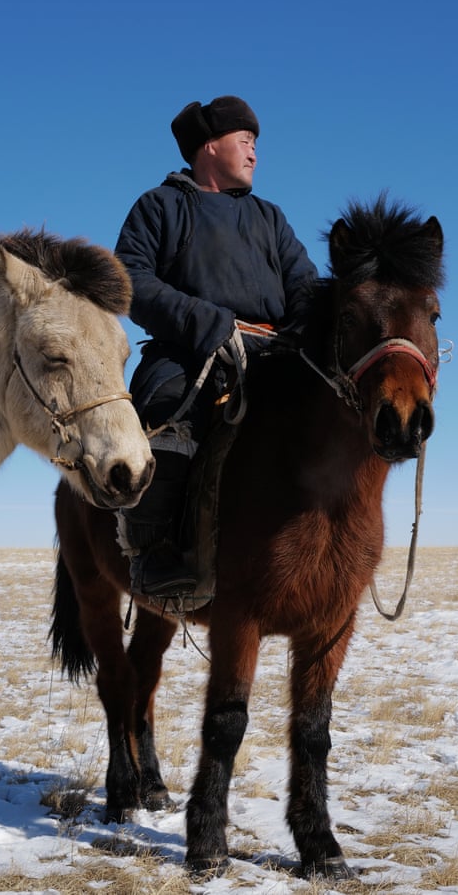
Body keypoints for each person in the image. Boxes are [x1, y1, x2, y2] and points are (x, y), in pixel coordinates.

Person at [114, 95, 319, 607]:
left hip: (272, 354)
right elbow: (128, 280)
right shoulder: (159, 206)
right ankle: (156, 555)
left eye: (255, 145)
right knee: (169, 418)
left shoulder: (270, 218)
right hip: (190, 353)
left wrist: (297, 331)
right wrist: (209, 322)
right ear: (210, 146)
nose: (254, 155)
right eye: (246, 142)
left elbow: (305, 286)